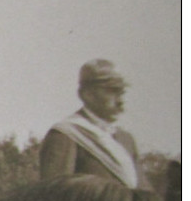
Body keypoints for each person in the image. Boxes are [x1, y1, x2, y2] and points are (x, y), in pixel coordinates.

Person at [39, 59, 143, 188]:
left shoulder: (126, 139)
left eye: (122, 92)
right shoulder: (65, 135)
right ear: (87, 95)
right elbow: (56, 196)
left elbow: (143, 191)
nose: (121, 101)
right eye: (112, 91)